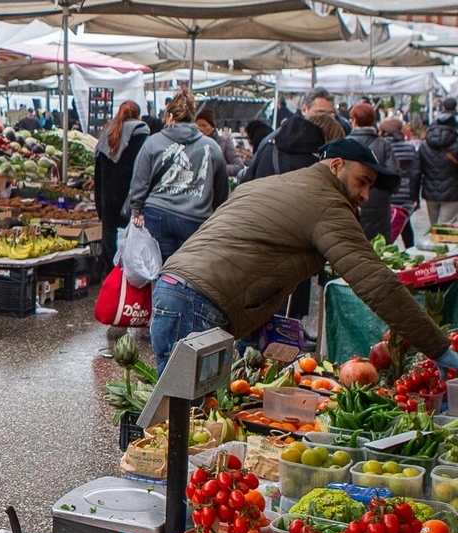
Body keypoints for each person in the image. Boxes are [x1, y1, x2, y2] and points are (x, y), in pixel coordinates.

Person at [151, 138, 458, 377]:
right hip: (199, 302)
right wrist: (438, 347)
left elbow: (248, 251)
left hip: (178, 289)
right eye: (362, 181)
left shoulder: (275, 183)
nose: (365, 195)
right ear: (336, 165)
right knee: (180, 421)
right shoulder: (327, 204)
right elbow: (376, 282)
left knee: (187, 417)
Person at [128, 88, 229, 262]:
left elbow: (139, 180)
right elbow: (221, 189)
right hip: (195, 218)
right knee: (187, 273)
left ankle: (160, 289)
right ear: (193, 118)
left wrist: (136, 209)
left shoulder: (153, 142)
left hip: (157, 213)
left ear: (169, 116)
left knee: (159, 268)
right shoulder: (212, 147)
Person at [93, 100, 150, 268]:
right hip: (133, 205)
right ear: (138, 115)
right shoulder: (143, 137)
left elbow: (98, 176)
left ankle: (112, 290)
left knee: (111, 254)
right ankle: (127, 292)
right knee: (131, 256)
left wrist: (100, 206)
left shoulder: (106, 136)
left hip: (108, 204)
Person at [242, 89, 341, 183]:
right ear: (304, 109)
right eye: (321, 112)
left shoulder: (333, 138)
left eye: (331, 114)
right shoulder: (274, 140)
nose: (328, 119)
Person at [346, 103, 399, 241]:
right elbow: (393, 175)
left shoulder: (344, 144)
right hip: (379, 204)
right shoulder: (383, 144)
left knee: (351, 244)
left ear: (354, 121)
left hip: (349, 202)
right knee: (379, 247)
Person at [410, 98, 458, 229]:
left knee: (435, 228)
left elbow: (415, 172)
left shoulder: (425, 146)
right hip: (453, 193)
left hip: (430, 192)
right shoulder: (455, 145)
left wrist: (413, 196)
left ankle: (436, 248)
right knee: (445, 231)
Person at [381, 117, 419, 246]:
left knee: (388, 223)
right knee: (405, 222)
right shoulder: (409, 147)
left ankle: (386, 249)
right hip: (406, 192)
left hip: (389, 192)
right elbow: (414, 171)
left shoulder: (383, 146)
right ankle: (410, 247)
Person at [195, 109, 245, 177]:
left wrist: (218, 170)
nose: (200, 129)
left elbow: (238, 165)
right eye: (198, 126)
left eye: (204, 126)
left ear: (212, 127)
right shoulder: (194, 143)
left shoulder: (224, 142)